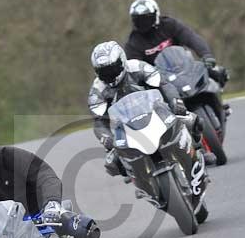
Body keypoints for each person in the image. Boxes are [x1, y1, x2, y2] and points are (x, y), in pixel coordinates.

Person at [87, 41, 215, 177]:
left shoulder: (138, 67)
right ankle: (136, 175)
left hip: (157, 112)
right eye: (104, 72)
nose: (110, 75)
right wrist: (106, 138)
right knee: (112, 162)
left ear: (122, 61)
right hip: (126, 128)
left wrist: (175, 102)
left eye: (112, 69)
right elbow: (99, 121)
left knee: (192, 120)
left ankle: (199, 151)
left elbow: (163, 84)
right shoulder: (97, 90)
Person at [124, 0, 228, 86]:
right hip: (160, 82)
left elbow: (191, 38)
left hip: (185, 69)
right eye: (138, 20)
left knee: (218, 73)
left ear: (156, 15)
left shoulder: (169, 25)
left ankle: (219, 102)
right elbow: (135, 67)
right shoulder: (133, 43)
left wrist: (206, 55)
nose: (143, 23)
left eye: (146, 18)